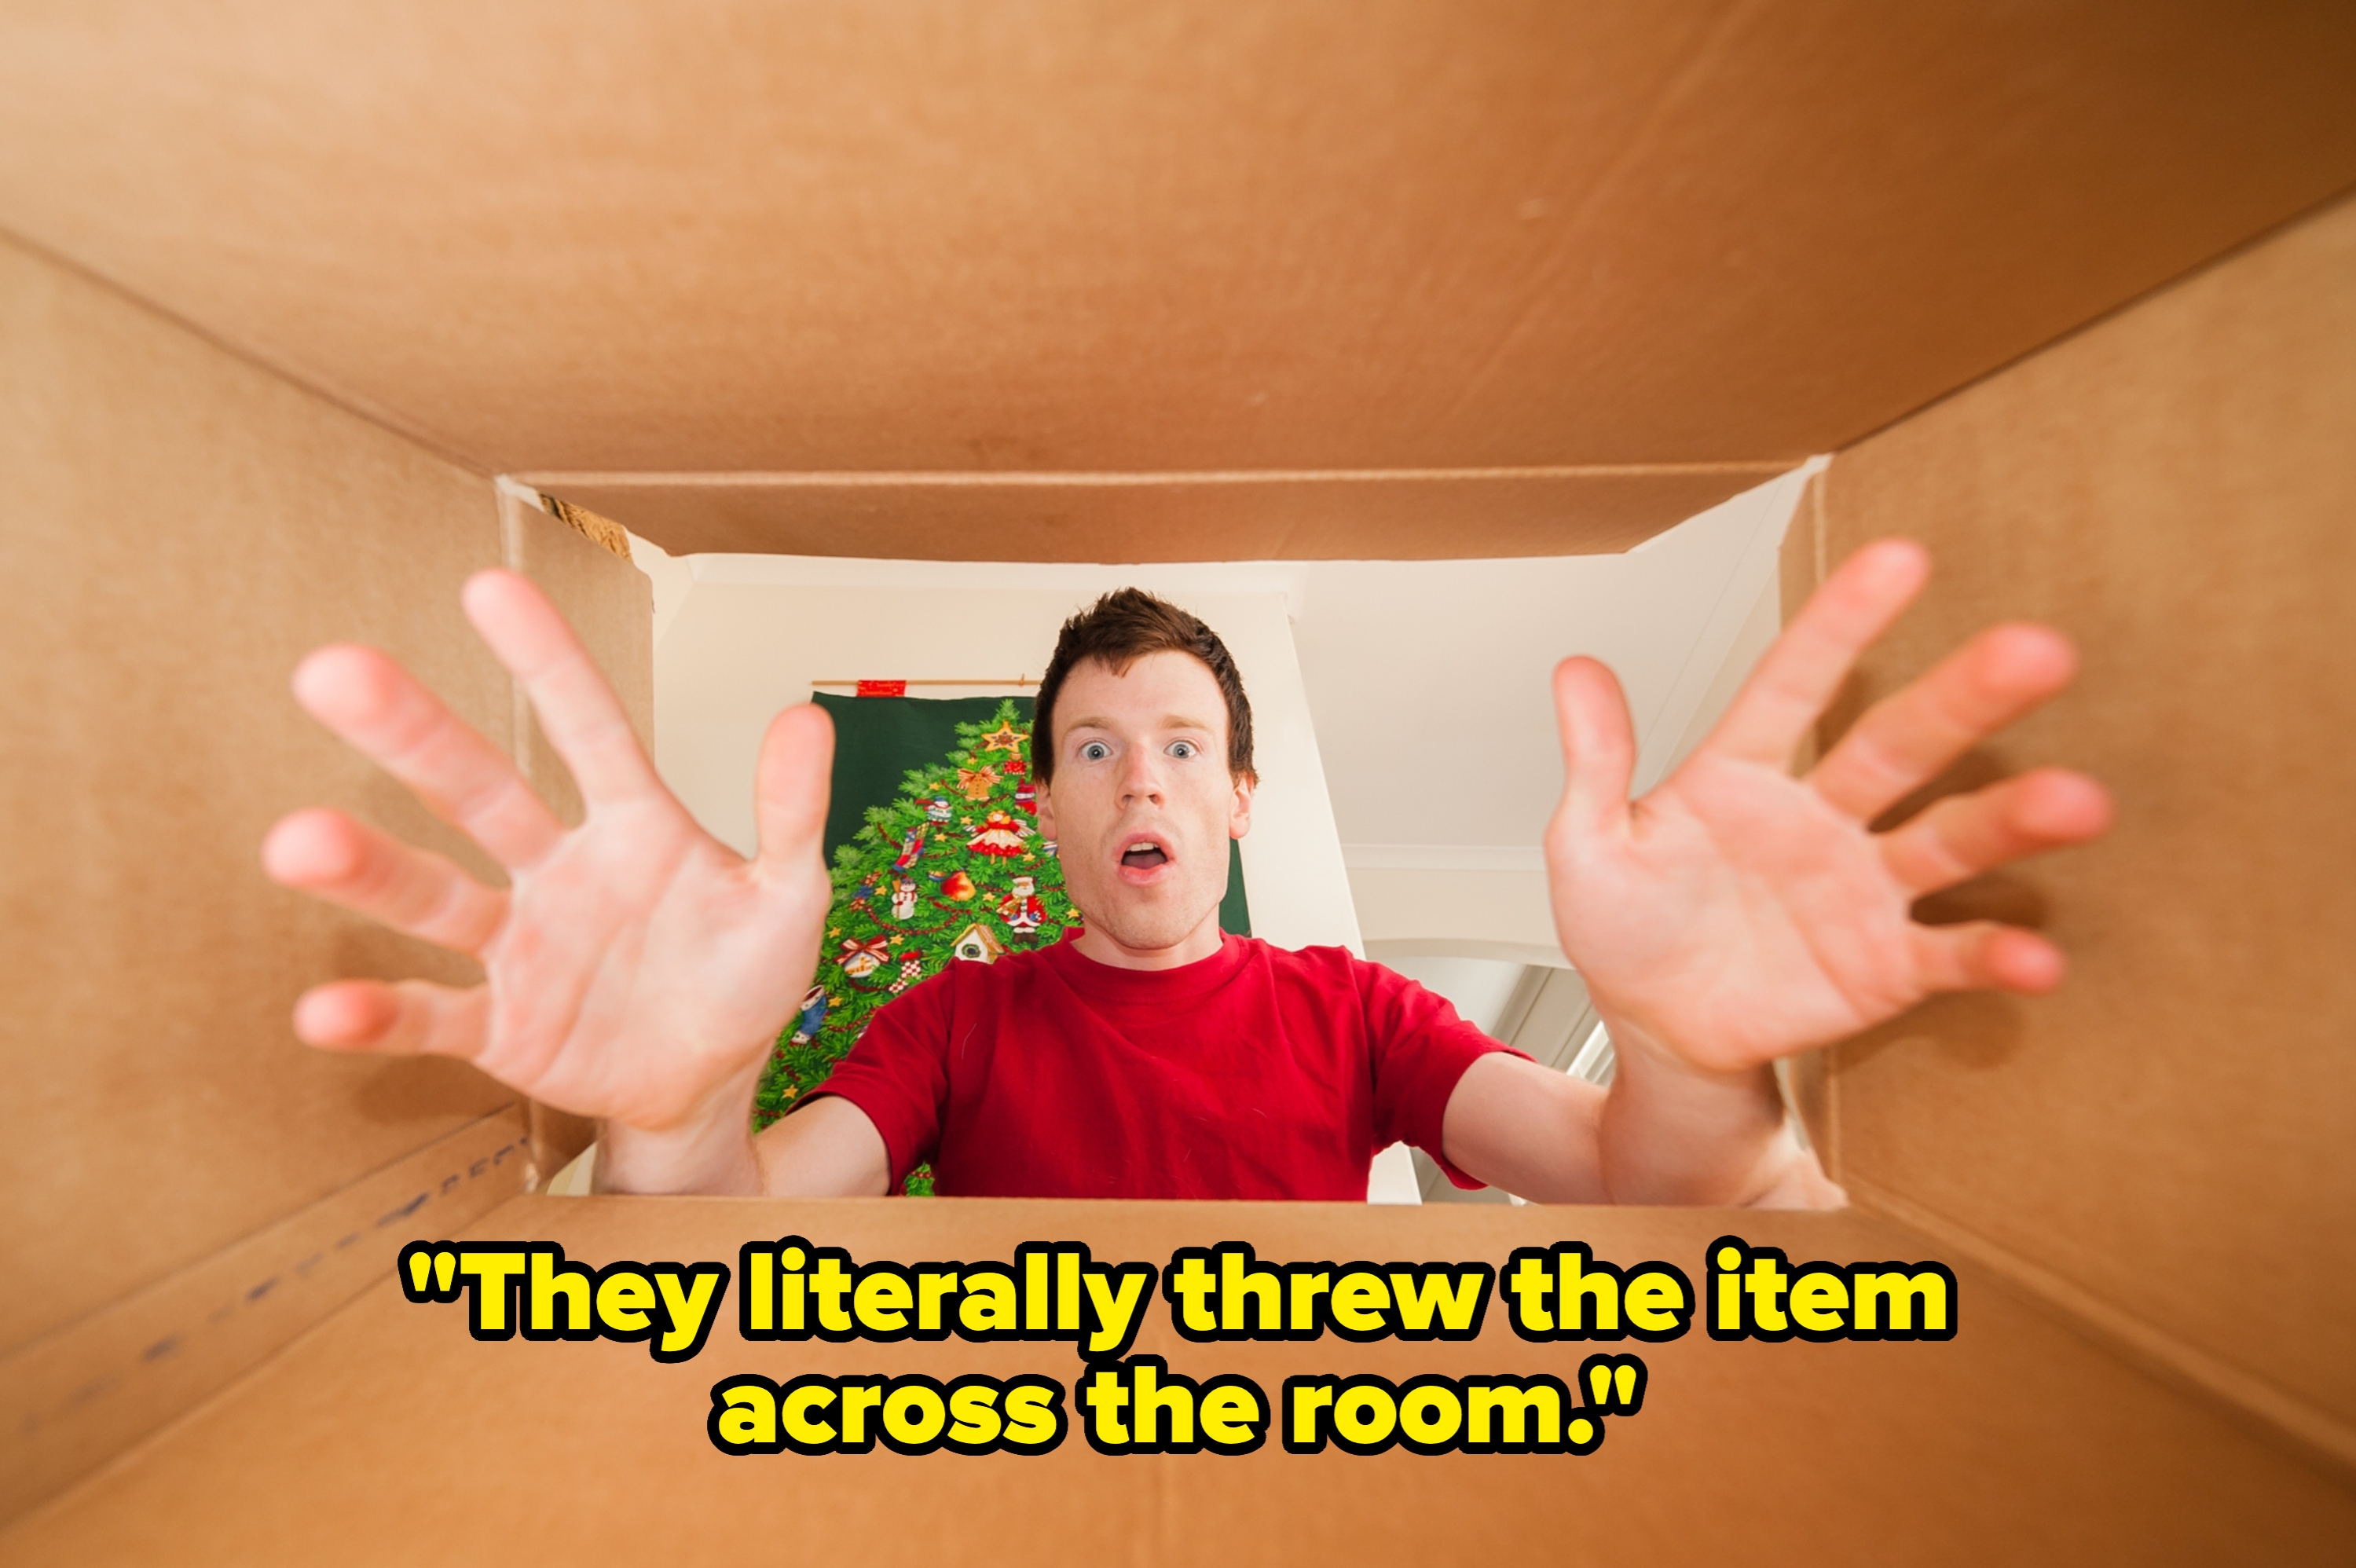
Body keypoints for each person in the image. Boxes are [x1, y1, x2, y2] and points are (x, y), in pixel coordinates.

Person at [259, 540, 2110, 1206]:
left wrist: (1701, 1069)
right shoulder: (952, 1020)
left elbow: (1645, 1186)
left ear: (1233, 798)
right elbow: (739, 1224)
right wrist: (671, 1121)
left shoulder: (1358, 1011)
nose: (1135, 773)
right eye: (1091, 747)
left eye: (1176, 746)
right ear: (1051, 815)